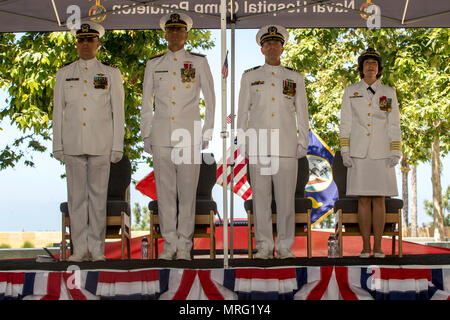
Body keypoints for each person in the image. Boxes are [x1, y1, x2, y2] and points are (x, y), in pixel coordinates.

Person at [141, 13, 215, 260]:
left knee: (186, 193)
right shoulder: (153, 64)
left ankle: (184, 244)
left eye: (179, 31)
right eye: (170, 31)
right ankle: (169, 243)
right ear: (165, 35)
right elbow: (146, 103)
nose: (174, 35)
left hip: (189, 136)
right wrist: (146, 134)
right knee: (165, 193)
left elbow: (210, 99)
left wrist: (207, 130)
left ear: (186, 35)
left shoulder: (199, 62)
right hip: (161, 135)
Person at [52, 21, 125, 262]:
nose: (85, 44)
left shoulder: (110, 73)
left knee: (97, 198)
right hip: (73, 143)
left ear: (98, 44)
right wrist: (57, 144)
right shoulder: (64, 73)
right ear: (76, 44)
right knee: (76, 198)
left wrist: (117, 145)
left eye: (90, 40)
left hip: (100, 143)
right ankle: (79, 249)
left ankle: (97, 250)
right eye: (81, 40)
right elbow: (58, 111)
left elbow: (118, 111)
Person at [237, 25, 309, 259]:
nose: (271, 47)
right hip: (259, 146)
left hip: (286, 146)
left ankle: (285, 247)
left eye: (276, 43)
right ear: (261, 48)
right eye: (267, 43)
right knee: (261, 199)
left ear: (282, 47)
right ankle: (264, 246)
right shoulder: (250, 76)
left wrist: (303, 140)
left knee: (286, 201)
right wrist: (243, 141)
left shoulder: (295, 77)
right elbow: (242, 112)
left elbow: (303, 113)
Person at [339, 48, 401, 258]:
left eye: (374, 63)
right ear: (361, 68)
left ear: (379, 68)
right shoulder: (350, 90)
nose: (371, 66)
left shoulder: (388, 92)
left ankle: (378, 247)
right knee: (363, 199)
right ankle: (365, 246)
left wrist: (395, 149)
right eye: (367, 63)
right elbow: (345, 122)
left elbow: (394, 123)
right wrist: (345, 150)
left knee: (380, 199)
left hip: (382, 152)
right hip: (358, 152)